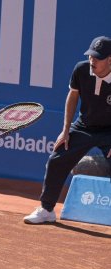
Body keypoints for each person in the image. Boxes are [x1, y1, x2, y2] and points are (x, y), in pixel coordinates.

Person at [24, 35, 111, 224]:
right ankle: (46, 210)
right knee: (57, 158)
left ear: (110, 59)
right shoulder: (81, 70)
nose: (92, 60)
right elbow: (72, 97)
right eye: (90, 55)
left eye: (98, 57)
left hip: (109, 131)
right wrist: (65, 131)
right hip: (84, 125)